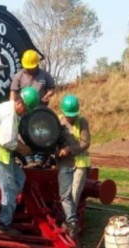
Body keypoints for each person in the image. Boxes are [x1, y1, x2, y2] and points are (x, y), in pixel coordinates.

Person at [0, 86, 40, 236]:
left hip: (1, 153)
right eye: (26, 109)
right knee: (9, 190)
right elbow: (7, 141)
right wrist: (24, 149)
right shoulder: (10, 115)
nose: (26, 112)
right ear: (20, 103)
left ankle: (8, 205)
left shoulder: (9, 107)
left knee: (20, 177)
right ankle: (4, 225)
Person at [10, 49, 56, 168]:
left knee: (41, 134)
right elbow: (13, 92)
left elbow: (52, 88)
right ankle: (28, 158)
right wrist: (11, 107)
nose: (29, 69)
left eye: (32, 67)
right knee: (23, 134)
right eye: (27, 67)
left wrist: (47, 95)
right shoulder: (19, 76)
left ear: (37, 64)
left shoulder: (44, 75)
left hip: (40, 112)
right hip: (24, 111)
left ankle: (39, 159)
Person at [56, 95, 91, 238]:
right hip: (64, 163)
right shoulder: (58, 121)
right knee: (65, 195)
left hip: (80, 163)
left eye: (73, 115)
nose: (70, 118)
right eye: (68, 115)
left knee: (74, 195)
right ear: (63, 111)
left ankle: (70, 224)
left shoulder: (82, 121)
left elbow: (85, 142)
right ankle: (71, 223)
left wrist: (69, 149)